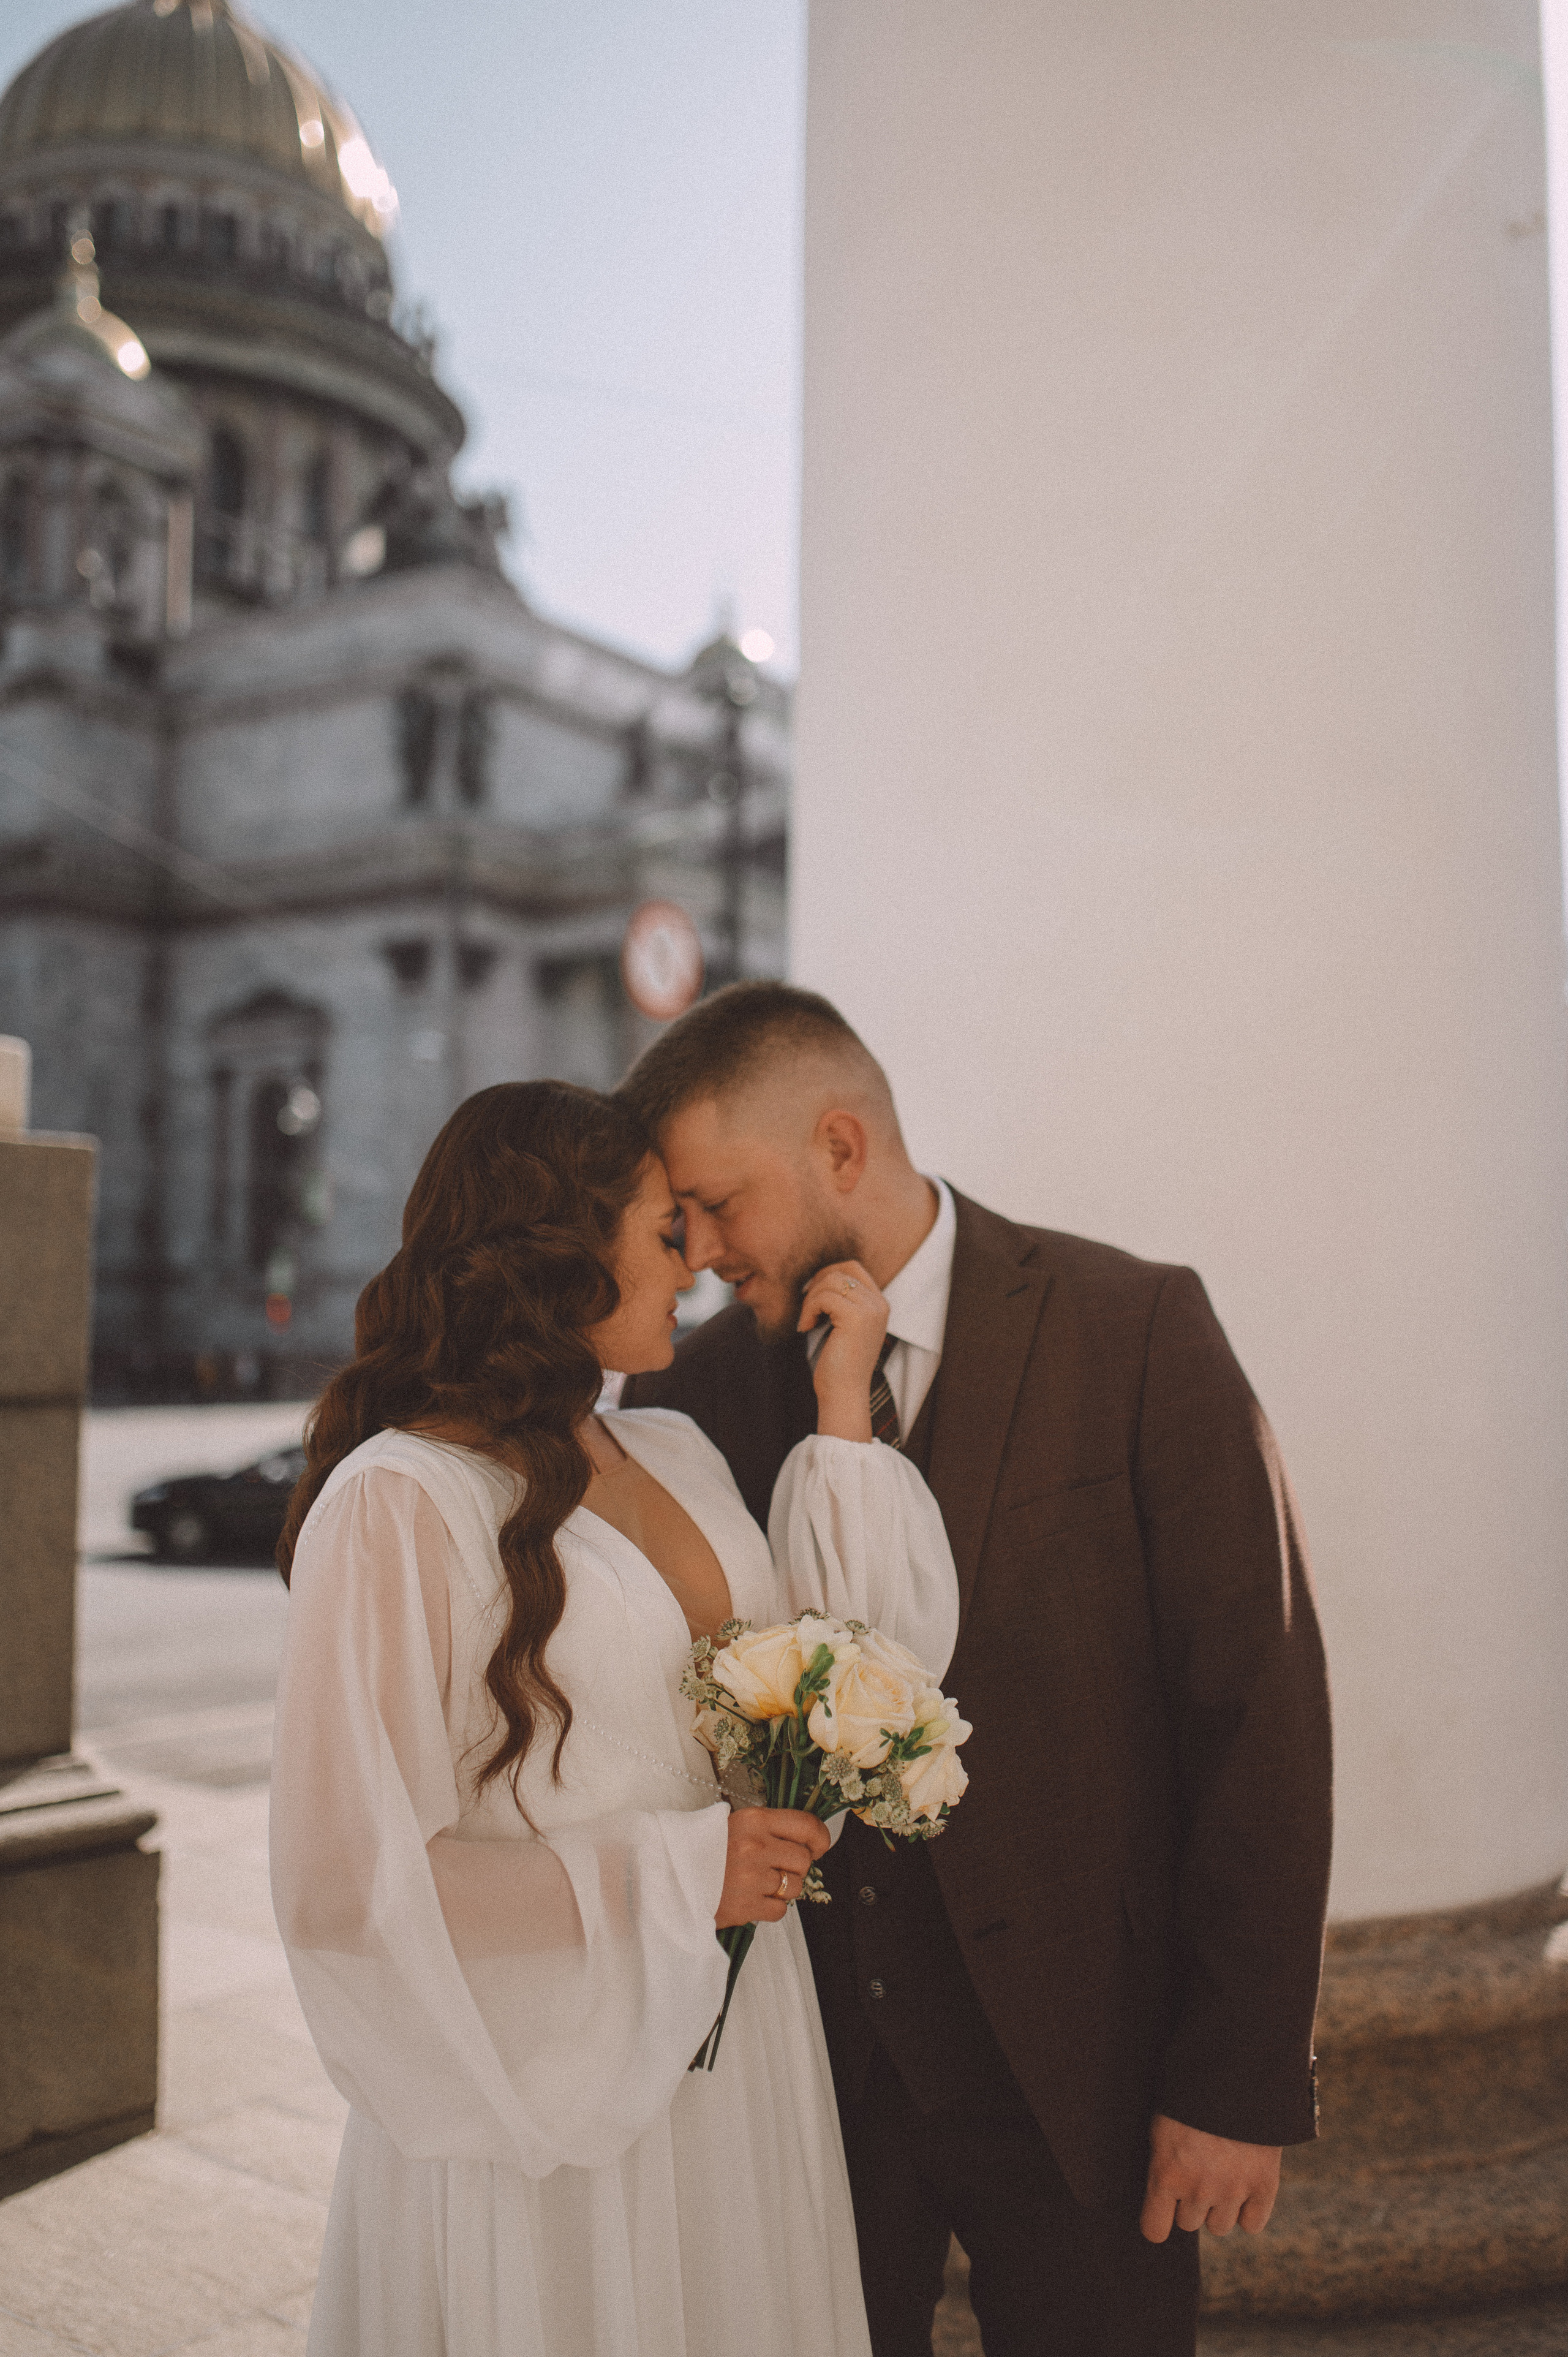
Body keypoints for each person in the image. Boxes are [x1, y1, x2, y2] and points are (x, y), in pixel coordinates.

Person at [619, 981, 1334, 2357]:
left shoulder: (1133, 1326)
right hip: (809, 2081)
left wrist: (1235, 2079)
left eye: (717, 1203)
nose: (697, 1252)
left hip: (1090, 2070)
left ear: (839, 1147)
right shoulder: (690, 1397)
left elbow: (1259, 1716)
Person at [268, 1078, 961, 2357]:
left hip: (739, 2040)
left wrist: (845, 1402)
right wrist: (678, 1872)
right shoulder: (399, 1500)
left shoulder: (678, 1450)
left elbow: (860, 1657)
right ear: (560, 1250)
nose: (695, 1262)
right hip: (546, 2071)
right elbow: (343, 1885)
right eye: (662, 1229)